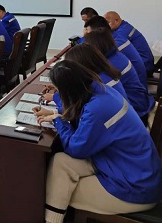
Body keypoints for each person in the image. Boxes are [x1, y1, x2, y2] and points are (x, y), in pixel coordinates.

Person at [36, 60, 162, 223]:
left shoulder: (98, 108)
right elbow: (81, 111)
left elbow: (76, 149)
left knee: (57, 192)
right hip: (126, 166)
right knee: (60, 162)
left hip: (135, 188)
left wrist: (58, 121)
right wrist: (58, 113)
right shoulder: (100, 89)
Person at [85, 28, 155, 127]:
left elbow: (94, 91)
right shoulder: (116, 56)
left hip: (137, 111)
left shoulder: (111, 65)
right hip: (140, 102)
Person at [38, 43, 127, 113]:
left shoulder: (100, 83)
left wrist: (56, 98)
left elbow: (79, 108)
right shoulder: (101, 75)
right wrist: (62, 86)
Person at [84, 16, 147, 87]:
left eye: (88, 34)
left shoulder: (116, 46)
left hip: (134, 88)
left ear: (99, 32)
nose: (86, 37)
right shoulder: (116, 38)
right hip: (134, 83)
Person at [104, 11, 155, 75]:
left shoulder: (123, 31)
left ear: (116, 21)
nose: (105, 26)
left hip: (145, 65)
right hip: (142, 63)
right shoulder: (124, 27)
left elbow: (110, 48)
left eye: (108, 23)